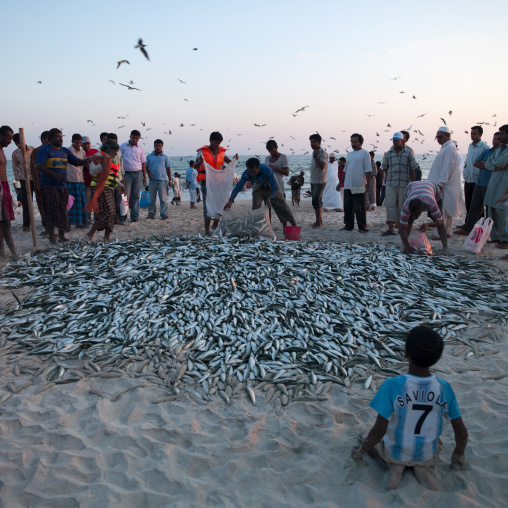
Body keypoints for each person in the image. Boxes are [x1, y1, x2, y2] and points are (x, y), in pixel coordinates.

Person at [351, 325, 468, 491]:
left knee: (367, 441)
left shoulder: (392, 385)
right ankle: (421, 469)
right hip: (428, 456)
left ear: (406, 353)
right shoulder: (444, 388)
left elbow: (378, 431)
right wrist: (459, 453)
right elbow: (461, 433)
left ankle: (395, 467)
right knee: (435, 443)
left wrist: (362, 450)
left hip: (395, 453)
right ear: (437, 358)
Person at [35, 128, 94, 244]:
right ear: (50, 138)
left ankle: (62, 235)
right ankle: (52, 237)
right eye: (57, 137)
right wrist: (54, 174)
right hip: (49, 185)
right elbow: (39, 166)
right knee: (51, 211)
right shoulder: (45, 150)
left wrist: (89, 159)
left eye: (61, 136)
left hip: (62, 186)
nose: (60, 139)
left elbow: (77, 162)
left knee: (63, 211)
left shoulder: (65, 151)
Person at [226, 158, 296, 228]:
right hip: (258, 185)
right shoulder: (246, 174)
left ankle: (294, 226)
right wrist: (231, 201)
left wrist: (269, 198)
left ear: (258, 167)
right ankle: (256, 227)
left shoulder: (267, 170)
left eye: (254, 172)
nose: (252, 175)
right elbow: (238, 187)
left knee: (282, 205)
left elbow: (275, 188)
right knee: (255, 208)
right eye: (250, 172)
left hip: (270, 184)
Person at [455, 132, 500, 237]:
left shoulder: (498, 153)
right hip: (479, 182)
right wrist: (489, 165)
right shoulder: (487, 151)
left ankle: (489, 232)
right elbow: (476, 163)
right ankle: (468, 228)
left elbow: (498, 166)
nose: (495, 141)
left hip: (491, 184)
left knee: (490, 210)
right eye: (494, 138)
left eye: (498, 139)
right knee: (474, 208)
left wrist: (486, 164)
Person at [195, 132, 236, 235]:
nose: (217, 145)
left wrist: (235, 159)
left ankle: (216, 222)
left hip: (219, 181)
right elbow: (195, 166)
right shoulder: (201, 151)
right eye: (215, 142)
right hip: (205, 181)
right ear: (210, 141)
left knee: (221, 202)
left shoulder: (221, 152)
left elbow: (229, 162)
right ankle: (207, 230)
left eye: (219, 143)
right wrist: (200, 161)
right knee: (207, 205)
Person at [427, 126, 465, 236]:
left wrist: (441, 183)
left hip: (445, 185)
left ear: (448, 136)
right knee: (445, 209)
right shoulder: (445, 147)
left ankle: (442, 233)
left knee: (443, 209)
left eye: (440, 137)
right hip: (442, 184)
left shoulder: (450, 147)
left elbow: (447, 167)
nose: (438, 139)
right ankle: (447, 232)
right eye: (437, 137)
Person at [85, 140, 123, 242]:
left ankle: (106, 238)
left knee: (112, 213)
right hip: (99, 188)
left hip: (110, 188)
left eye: (116, 151)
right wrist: (103, 164)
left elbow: (114, 176)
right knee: (107, 212)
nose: (116, 153)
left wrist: (120, 186)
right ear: (107, 149)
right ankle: (90, 233)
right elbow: (92, 171)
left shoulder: (114, 160)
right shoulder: (98, 155)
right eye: (114, 151)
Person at [381, 132, 417, 236]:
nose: (395, 142)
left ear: (402, 140)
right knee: (390, 205)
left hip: (404, 183)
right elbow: (385, 167)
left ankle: (401, 228)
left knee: (402, 206)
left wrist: (413, 183)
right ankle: (390, 228)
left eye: (397, 140)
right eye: (394, 140)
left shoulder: (408, 153)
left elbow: (412, 169)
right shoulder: (389, 153)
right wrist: (387, 178)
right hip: (391, 183)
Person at [398, 181, 447, 254]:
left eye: (417, 214)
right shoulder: (406, 206)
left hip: (433, 189)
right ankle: (405, 244)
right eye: (413, 213)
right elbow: (401, 227)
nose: (416, 216)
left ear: (422, 209)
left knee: (437, 220)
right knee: (410, 220)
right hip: (412, 187)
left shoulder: (431, 203)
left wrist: (428, 224)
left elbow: (440, 221)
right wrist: (407, 246)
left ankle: (445, 246)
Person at [482, 124, 508, 249]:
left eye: (503, 134)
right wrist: (494, 166)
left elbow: (501, 162)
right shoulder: (498, 149)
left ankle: (504, 239)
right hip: (493, 183)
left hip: (504, 184)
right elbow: (488, 163)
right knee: (491, 209)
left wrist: (493, 164)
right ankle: (495, 237)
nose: (500, 136)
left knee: (501, 212)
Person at [339, 133, 371, 233]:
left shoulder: (365, 153)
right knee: (348, 207)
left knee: (359, 207)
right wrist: (340, 183)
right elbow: (345, 170)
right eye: (352, 142)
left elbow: (368, 170)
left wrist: (368, 184)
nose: (353, 144)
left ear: (360, 142)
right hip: (348, 184)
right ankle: (349, 226)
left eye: (355, 142)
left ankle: (362, 227)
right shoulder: (349, 154)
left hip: (359, 184)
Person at [120, 129, 147, 222]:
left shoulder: (140, 148)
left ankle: (135, 217)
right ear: (130, 136)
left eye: (137, 138)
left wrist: (145, 177)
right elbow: (119, 161)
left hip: (138, 173)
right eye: (133, 138)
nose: (135, 140)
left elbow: (143, 163)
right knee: (125, 196)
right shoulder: (123, 147)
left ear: (139, 139)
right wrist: (121, 176)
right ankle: (123, 217)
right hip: (126, 174)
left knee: (136, 196)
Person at [462, 126, 489, 214]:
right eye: (471, 134)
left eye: (474, 134)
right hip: (468, 179)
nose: (472, 136)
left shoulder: (485, 148)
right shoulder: (470, 146)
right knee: (468, 204)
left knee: (477, 206)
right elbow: (468, 160)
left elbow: (485, 164)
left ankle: (478, 225)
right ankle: (467, 224)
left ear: (480, 135)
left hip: (477, 180)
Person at [11, 133, 35, 231]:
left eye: (19, 142)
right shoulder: (15, 153)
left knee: (40, 201)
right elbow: (14, 167)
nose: (18, 145)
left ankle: (45, 223)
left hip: (34, 179)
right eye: (16, 143)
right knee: (26, 203)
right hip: (24, 180)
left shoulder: (32, 149)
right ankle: (26, 224)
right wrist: (18, 178)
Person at [0, 126, 17, 259]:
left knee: (5, 221)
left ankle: (10, 252)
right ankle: (7, 253)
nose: (10, 142)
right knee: (3, 222)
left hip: (4, 186)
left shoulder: (2, 150)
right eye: (8, 138)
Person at [66, 134, 88, 229]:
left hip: (80, 179)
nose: (78, 144)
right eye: (76, 142)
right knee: (71, 202)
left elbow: (83, 164)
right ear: (72, 141)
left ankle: (80, 222)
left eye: (80, 142)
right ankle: (69, 222)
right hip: (71, 179)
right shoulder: (68, 151)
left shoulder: (82, 152)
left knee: (82, 201)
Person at [146, 139, 171, 220]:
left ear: (162, 147)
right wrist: (148, 173)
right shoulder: (149, 156)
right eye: (156, 146)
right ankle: (151, 214)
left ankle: (164, 214)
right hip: (152, 180)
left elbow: (168, 169)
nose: (158, 147)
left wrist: (170, 180)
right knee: (152, 199)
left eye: (159, 146)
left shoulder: (165, 157)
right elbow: (145, 166)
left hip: (162, 180)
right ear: (154, 146)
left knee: (163, 199)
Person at [30, 130, 49, 231]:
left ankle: (50, 227)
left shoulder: (51, 150)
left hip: (51, 184)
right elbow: (34, 169)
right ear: (43, 139)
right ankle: (46, 228)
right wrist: (37, 185)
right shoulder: (36, 151)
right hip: (41, 184)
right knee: (42, 207)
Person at [308, 133, 328, 228]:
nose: (312, 144)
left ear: (319, 142)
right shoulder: (314, 152)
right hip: (313, 180)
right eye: (311, 142)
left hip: (320, 181)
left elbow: (322, 166)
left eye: (314, 142)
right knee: (317, 201)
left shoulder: (322, 153)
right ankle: (319, 221)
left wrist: (316, 157)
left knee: (316, 201)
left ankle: (318, 223)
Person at [107, 133, 125, 226]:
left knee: (117, 200)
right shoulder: (102, 152)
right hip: (108, 181)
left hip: (118, 179)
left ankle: (116, 219)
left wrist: (123, 179)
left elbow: (121, 166)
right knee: (108, 202)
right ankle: (107, 220)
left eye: (114, 141)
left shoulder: (119, 152)